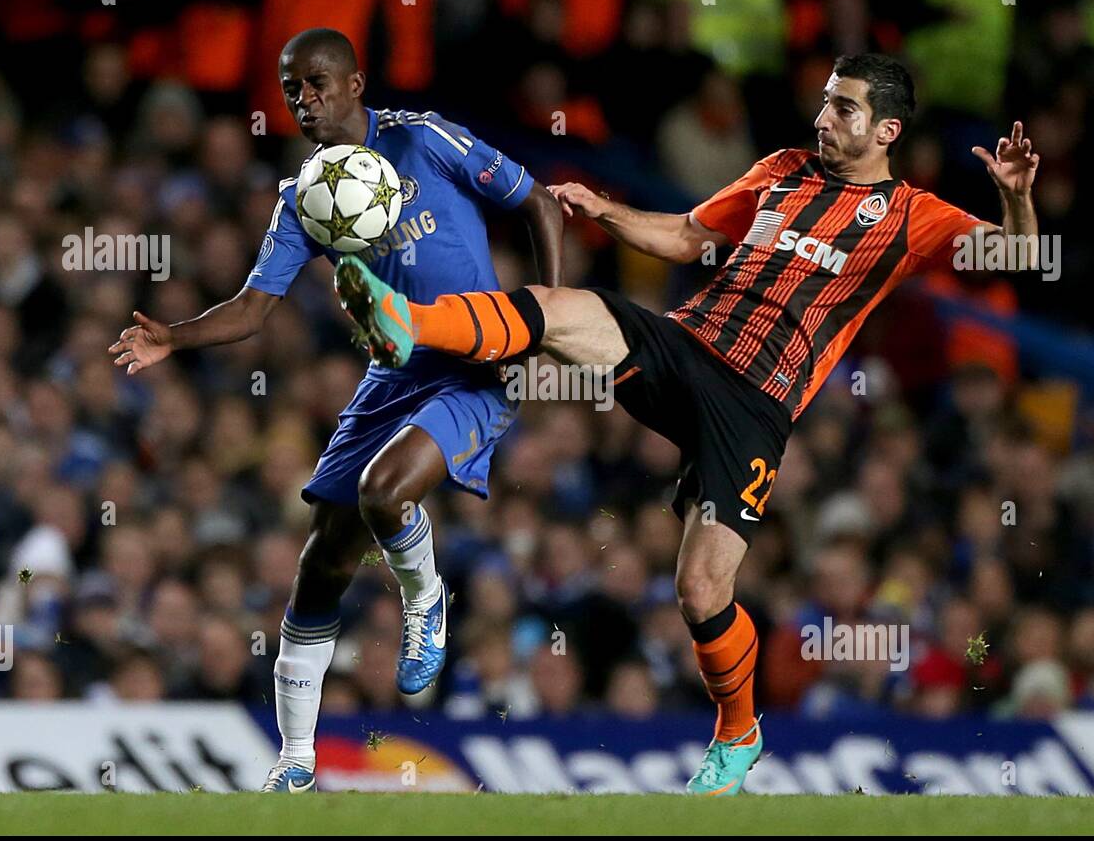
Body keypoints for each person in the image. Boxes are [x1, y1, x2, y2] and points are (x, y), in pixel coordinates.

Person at [337, 53, 1040, 795]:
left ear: (887, 129)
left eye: (844, 109)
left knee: (701, 591)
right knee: (558, 308)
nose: (823, 118)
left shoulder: (910, 217)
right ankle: (404, 321)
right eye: (826, 102)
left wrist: (1017, 199)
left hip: (756, 405)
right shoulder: (781, 170)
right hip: (687, 345)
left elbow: (1019, 255)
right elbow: (688, 236)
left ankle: (739, 731)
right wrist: (608, 211)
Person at [108, 28, 564, 792]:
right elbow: (255, 308)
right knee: (321, 562)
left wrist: (546, 313)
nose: (303, 99)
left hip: (476, 366)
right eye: (291, 89)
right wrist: (174, 338)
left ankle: (427, 602)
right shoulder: (305, 197)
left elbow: (538, 203)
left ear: (356, 83)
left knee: (384, 493)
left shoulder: (424, 139)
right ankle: (293, 759)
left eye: (317, 82)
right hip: (391, 373)